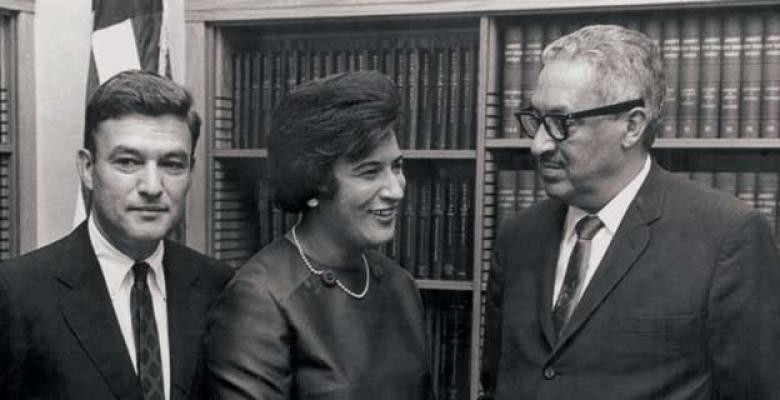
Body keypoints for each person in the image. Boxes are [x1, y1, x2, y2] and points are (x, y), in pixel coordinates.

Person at [481, 24, 780, 399]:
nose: (538, 145)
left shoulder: (727, 237)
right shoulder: (518, 236)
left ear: (632, 126)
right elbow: (495, 383)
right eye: (536, 121)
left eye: (561, 123)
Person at [0, 70, 234, 400]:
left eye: (172, 164)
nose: (152, 187)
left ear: (191, 171)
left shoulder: (218, 286)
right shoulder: (16, 293)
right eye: (128, 162)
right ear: (87, 169)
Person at [205, 70, 432, 399]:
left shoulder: (400, 285)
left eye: (396, 166)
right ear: (314, 181)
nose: (396, 190)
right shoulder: (259, 299)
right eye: (370, 172)